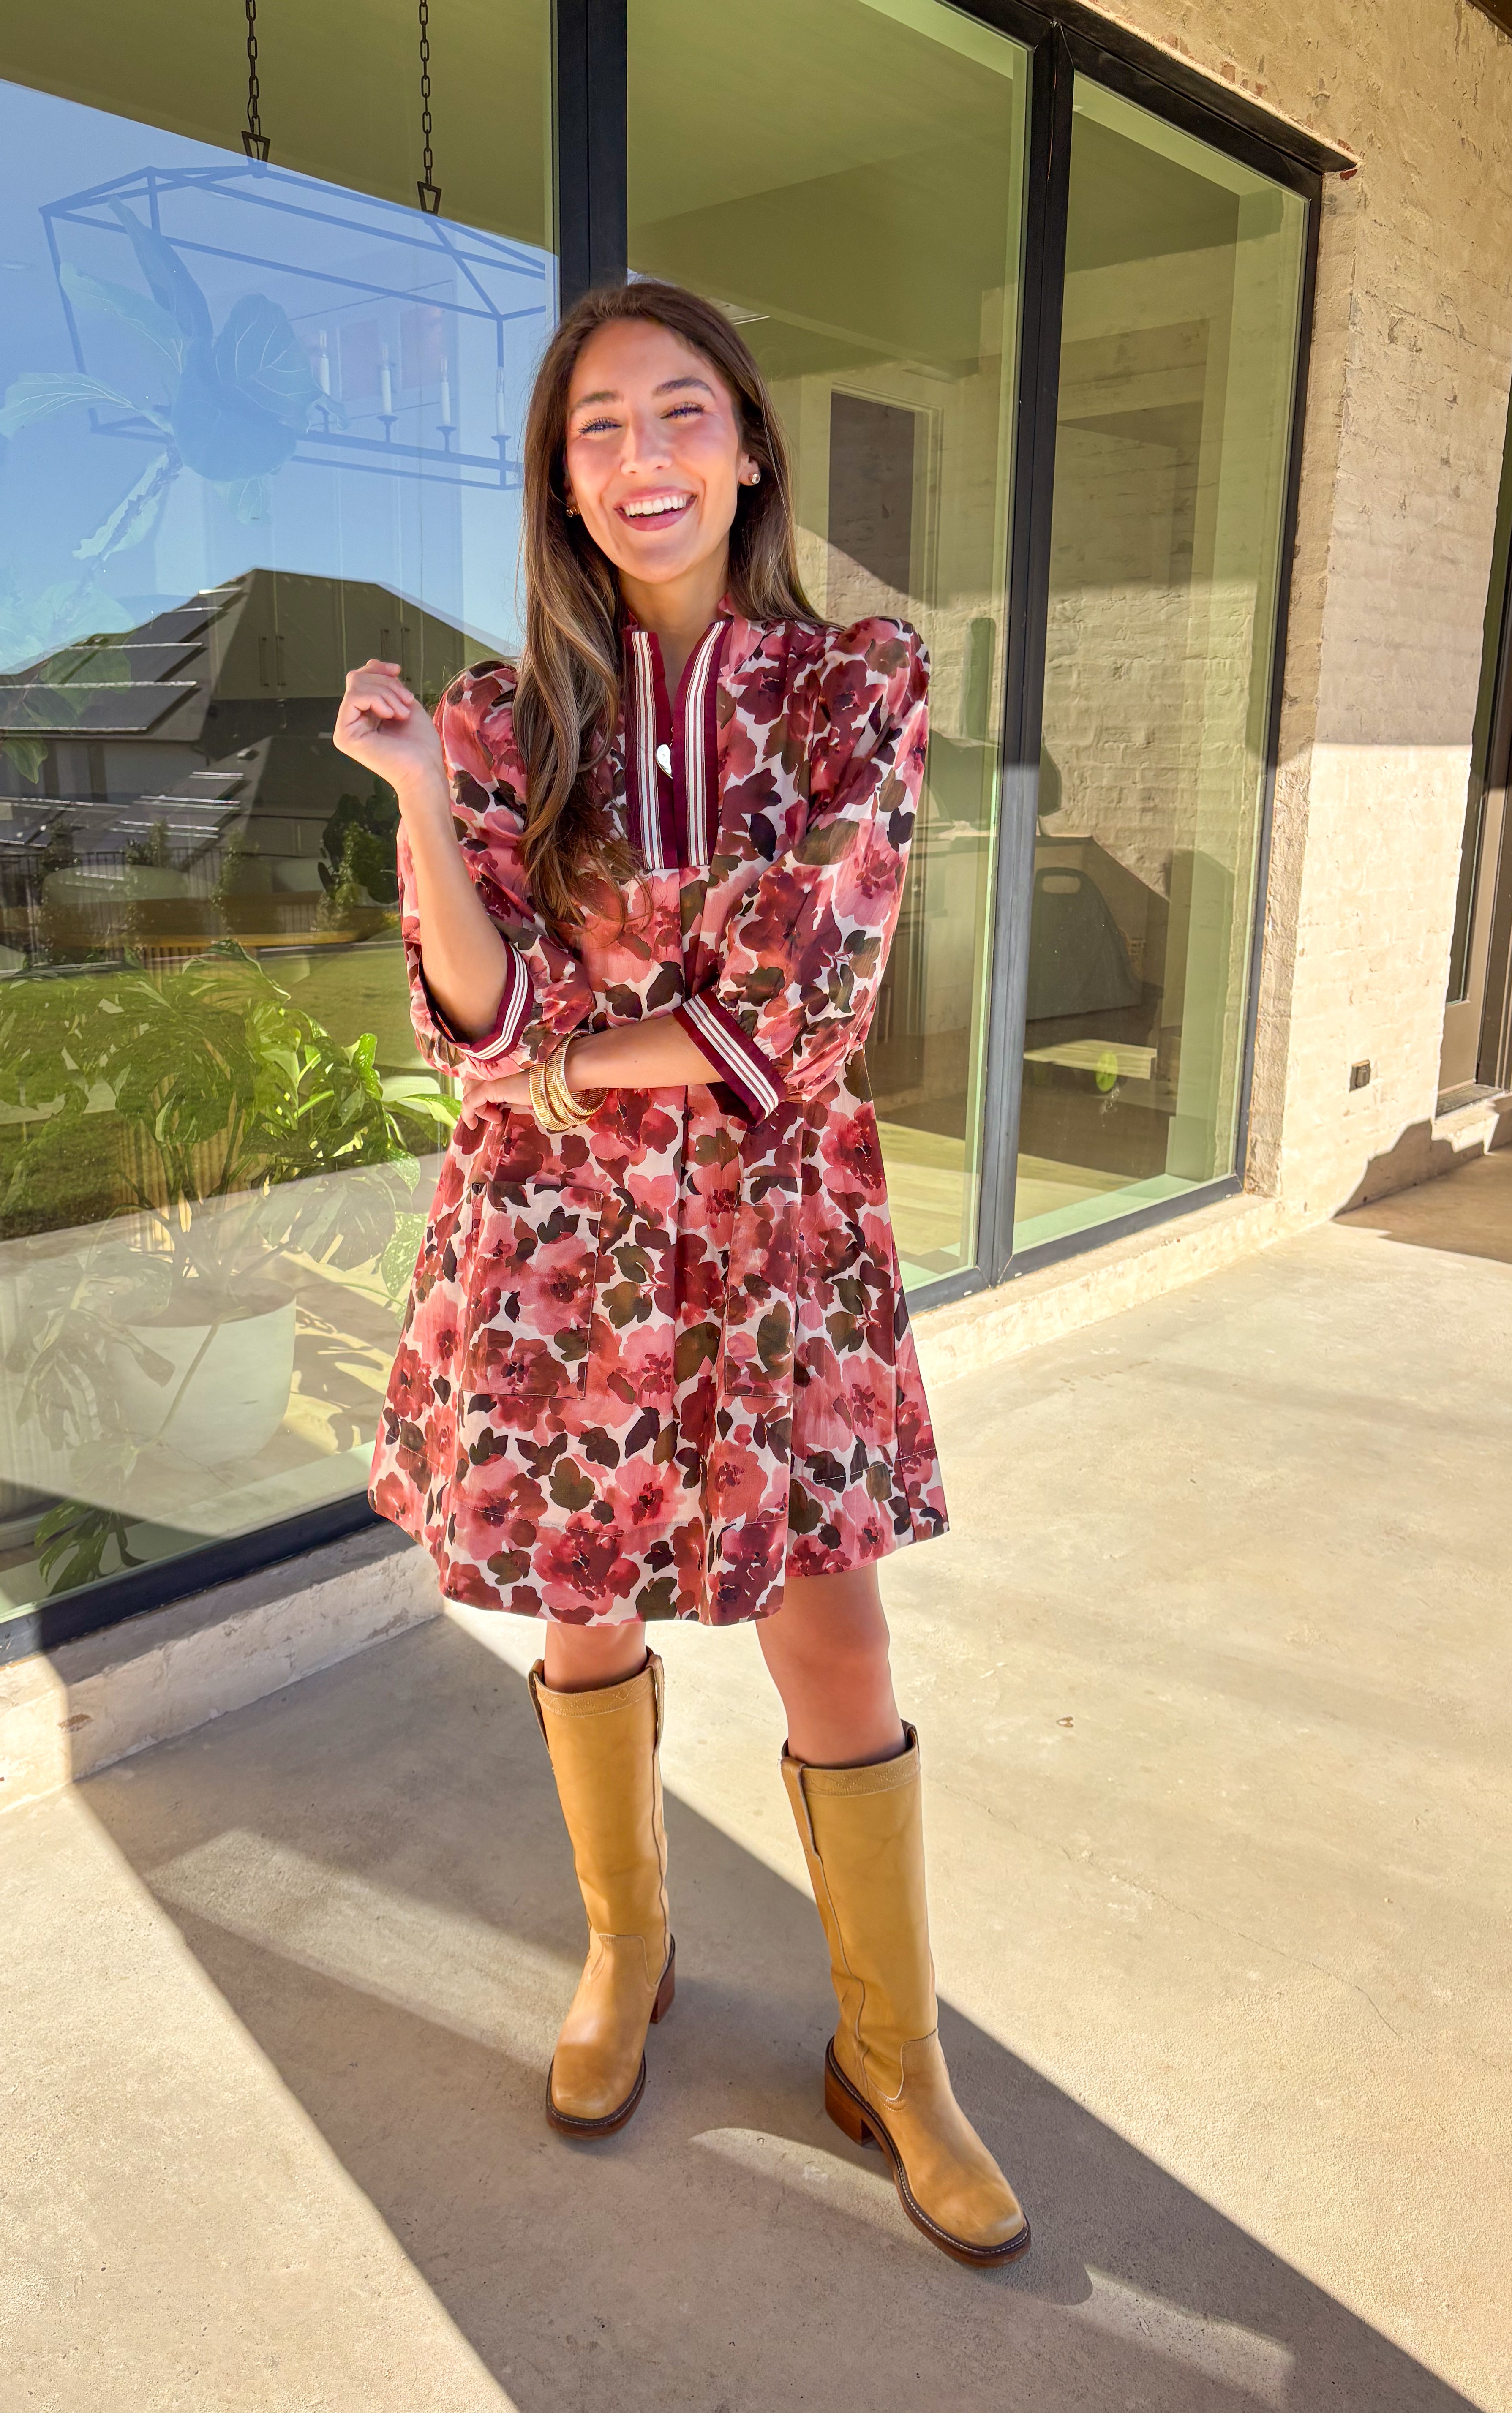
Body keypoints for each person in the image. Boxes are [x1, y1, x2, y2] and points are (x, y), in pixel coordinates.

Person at [332, 278, 1027, 2268]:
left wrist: (562, 1062)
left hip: (774, 1241)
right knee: (583, 1620)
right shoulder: (493, 723)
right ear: (561, 481)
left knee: (838, 1647)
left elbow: (799, 1015)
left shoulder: (856, 685)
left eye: (680, 413)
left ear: (748, 446)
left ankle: (893, 2055)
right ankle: (626, 1953)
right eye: (599, 430)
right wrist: (420, 807)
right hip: (558, 1258)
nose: (643, 458)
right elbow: (466, 1017)